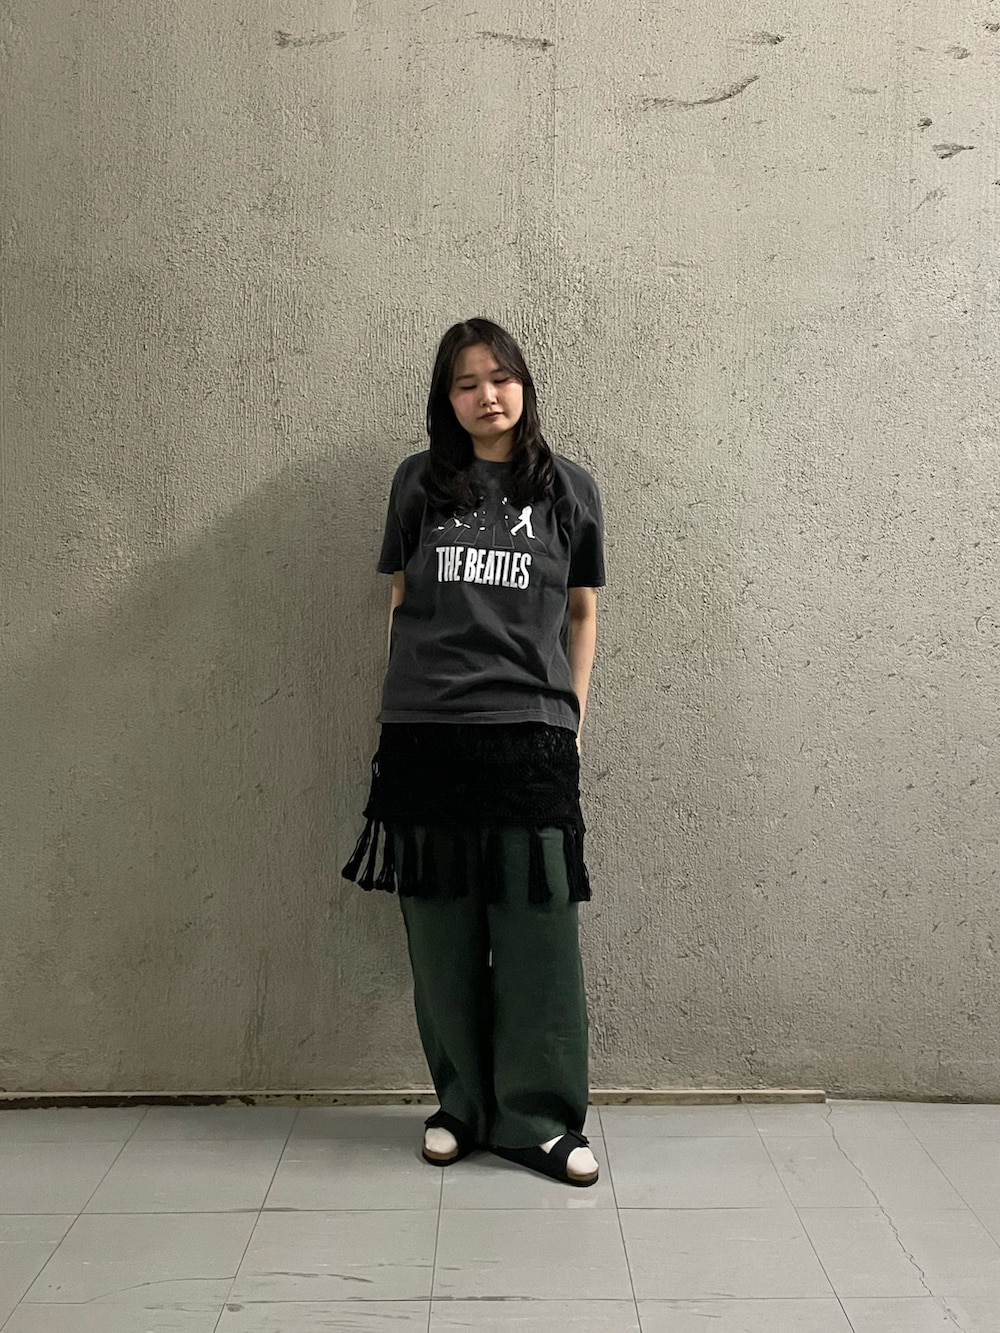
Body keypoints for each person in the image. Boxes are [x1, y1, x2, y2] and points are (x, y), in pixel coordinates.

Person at [342, 317, 606, 1187]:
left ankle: (538, 1119)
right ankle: (459, 1104)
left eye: (500, 377)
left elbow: (581, 613)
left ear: (524, 384)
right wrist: (399, 702)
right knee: (440, 934)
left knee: (539, 937)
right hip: (426, 738)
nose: (486, 395)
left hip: (530, 738)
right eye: (466, 383)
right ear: (445, 399)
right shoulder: (416, 483)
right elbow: (399, 597)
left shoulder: (569, 489)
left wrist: (571, 717)